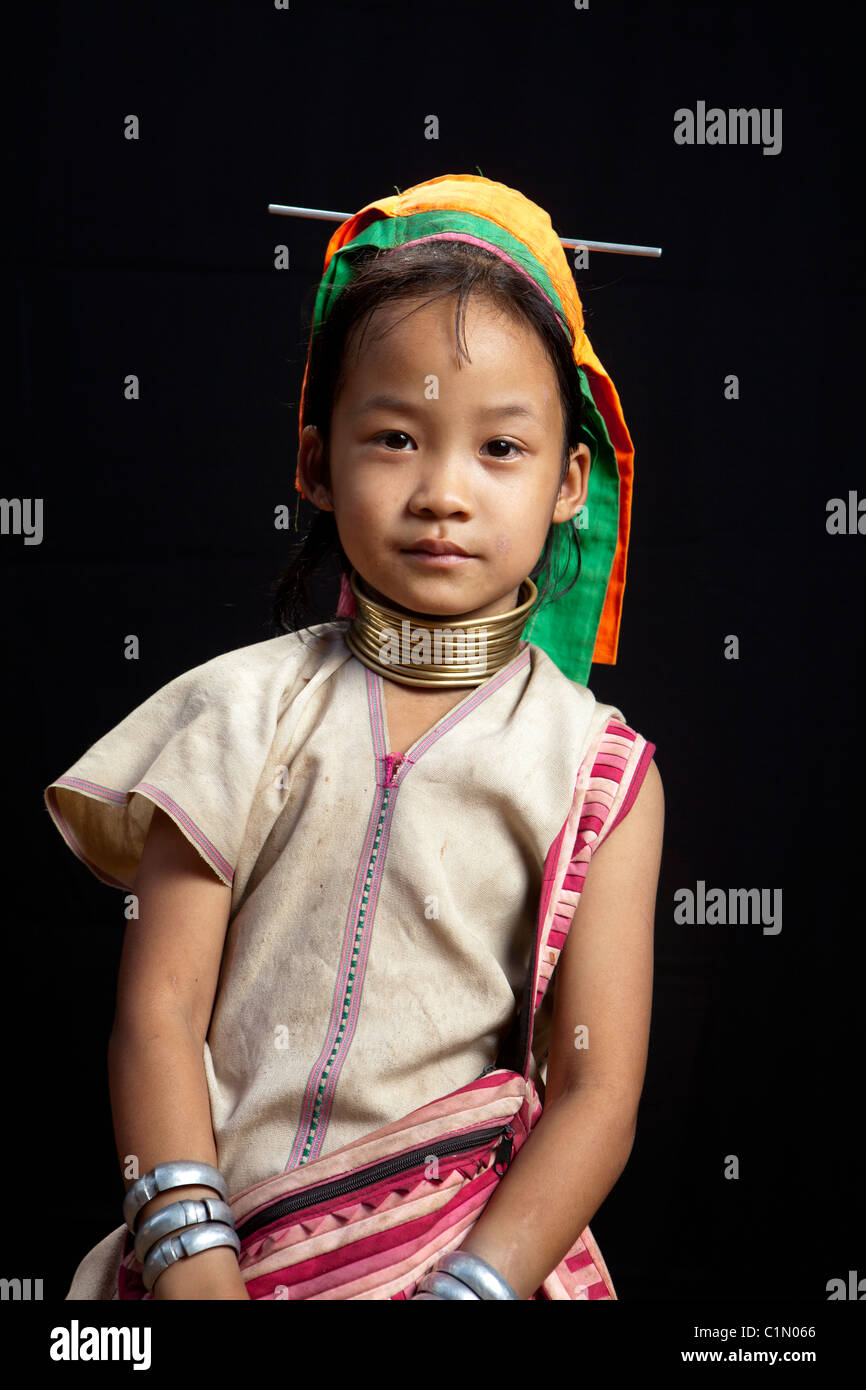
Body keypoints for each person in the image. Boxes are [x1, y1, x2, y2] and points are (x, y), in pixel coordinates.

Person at [44, 173, 664, 1301]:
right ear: (312, 462)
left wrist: (470, 1284)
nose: (442, 492)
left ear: (571, 479)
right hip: (209, 1254)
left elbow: (594, 1094)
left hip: (466, 1261)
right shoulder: (232, 713)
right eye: (393, 436)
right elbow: (159, 1015)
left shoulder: (596, 769)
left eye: (499, 449)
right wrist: (193, 1265)